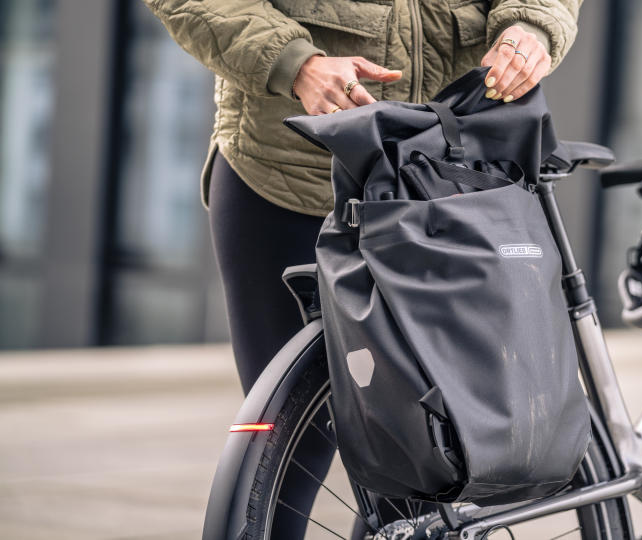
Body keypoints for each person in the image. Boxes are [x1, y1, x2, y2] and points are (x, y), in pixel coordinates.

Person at [145, 0, 583, 394]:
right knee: (295, 438)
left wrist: (533, 23)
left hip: (457, 180)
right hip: (295, 176)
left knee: (489, 429)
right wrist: (295, 63)